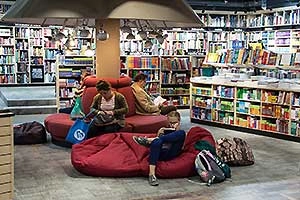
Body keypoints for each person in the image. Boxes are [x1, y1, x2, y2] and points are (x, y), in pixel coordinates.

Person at [132, 111, 186, 186]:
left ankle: (149, 140)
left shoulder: (181, 132)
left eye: (174, 123)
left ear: (179, 121)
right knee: (157, 142)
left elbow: (182, 146)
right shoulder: (164, 130)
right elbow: (157, 146)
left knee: (180, 133)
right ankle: (152, 175)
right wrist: (160, 133)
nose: (172, 125)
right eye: (170, 123)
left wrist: (159, 138)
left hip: (172, 152)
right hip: (161, 154)